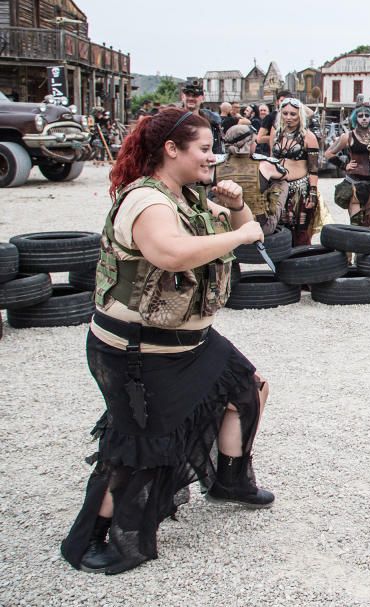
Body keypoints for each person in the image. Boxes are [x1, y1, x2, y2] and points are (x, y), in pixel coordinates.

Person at [60, 107, 273, 575]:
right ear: (171, 150)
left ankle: (230, 480)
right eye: (202, 148)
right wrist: (239, 234)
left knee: (247, 386)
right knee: (137, 445)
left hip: (188, 341)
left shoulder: (187, 195)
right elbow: (171, 253)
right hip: (136, 350)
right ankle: (98, 537)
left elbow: (240, 227)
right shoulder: (148, 201)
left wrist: (236, 206)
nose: (210, 156)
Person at [271, 97, 321, 246]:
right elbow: (271, 161)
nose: (288, 117)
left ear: (300, 115)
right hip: (278, 188)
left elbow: (313, 169)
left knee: (300, 231)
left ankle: (301, 265)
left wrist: (312, 192)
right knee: (279, 229)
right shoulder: (276, 135)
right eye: (285, 113)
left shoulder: (308, 137)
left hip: (300, 191)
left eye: (293, 114)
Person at [216, 123, 282, 234]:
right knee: (282, 183)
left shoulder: (214, 166)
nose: (256, 145)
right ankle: (273, 216)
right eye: (254, 142)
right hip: (260, 226)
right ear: (248, 144)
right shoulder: (265, 165)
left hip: (225, 226)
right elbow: (285, 175)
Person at [326, 103, 370, 226]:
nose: (364, 118)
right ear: (355, 118)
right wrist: (344, 165)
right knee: (356, 225)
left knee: (367, 224)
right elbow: (328, 154)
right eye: (360, 116)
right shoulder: (348, 136)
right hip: (355, 184)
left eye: (367, 115)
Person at [180, 80, 223, 154]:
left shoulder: (211, 123)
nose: (191, 98)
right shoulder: (173, 121)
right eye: (188, 95)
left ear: (202, 98)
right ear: (182, 97)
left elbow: (216, 151)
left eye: (195, 95)